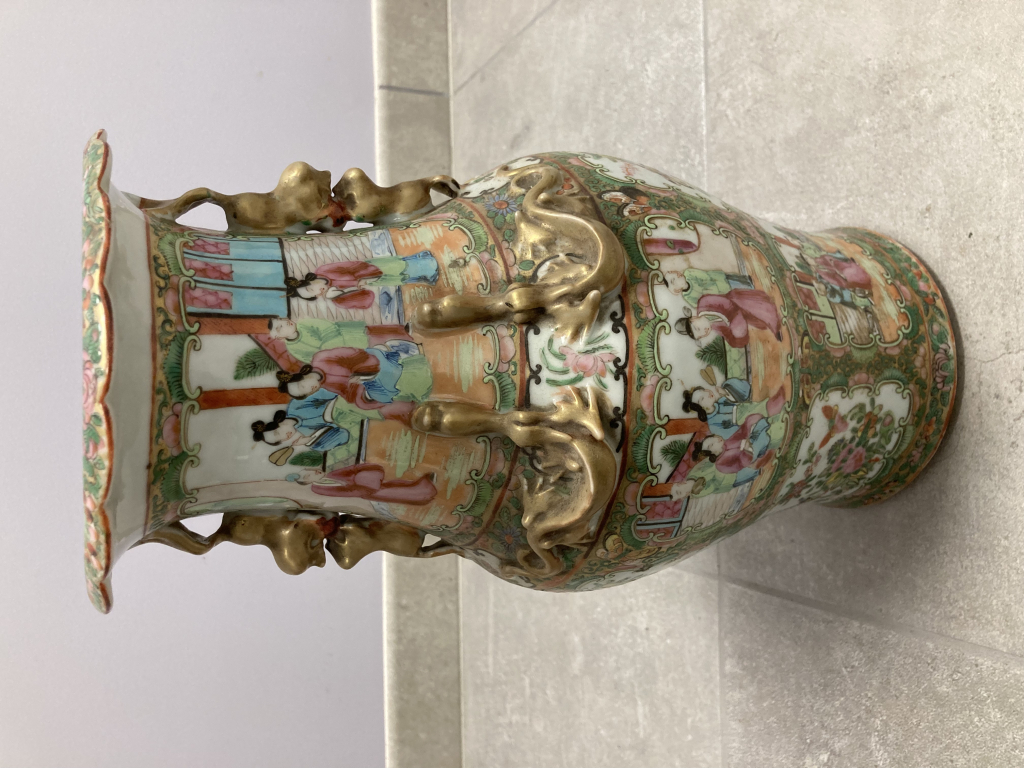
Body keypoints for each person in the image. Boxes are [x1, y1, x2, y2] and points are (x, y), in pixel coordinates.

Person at [261, 317, 412, 365]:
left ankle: (406, 330)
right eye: (280, 327)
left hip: (348, 334)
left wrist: (326, 347)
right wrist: (328, 353)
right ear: (279, 337)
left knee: (381, 334)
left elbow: (328, 328)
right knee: (380, 351)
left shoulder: (305, 323)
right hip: (344, 352)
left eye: (282, 320)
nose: (285, 323)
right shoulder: (294, 349)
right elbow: (314, 360)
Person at [674, 288, 782, 348]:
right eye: (701, 335)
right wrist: (735, 341)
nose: (704, 331)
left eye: (698, 328)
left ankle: (775, 323)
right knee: (743, 330)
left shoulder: (704, 303)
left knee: (759, 309)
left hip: (737, 301)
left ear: (693, 318)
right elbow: (726, 334)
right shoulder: (714, 326)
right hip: (738, 319)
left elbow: (727, 304)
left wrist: (735, 325)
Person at [683, 379, 786, 439]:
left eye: (704, 391)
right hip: (748, 428)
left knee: (749, 406)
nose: (708, 393)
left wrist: (726, 393)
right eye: (702, 398)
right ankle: (773, 409)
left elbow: (742, 399)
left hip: (753, 410)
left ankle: (773, 406)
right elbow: (732, 436)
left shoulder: (722, 400)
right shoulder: (713, 425)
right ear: (700, 408)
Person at [286, 465, 437, 505]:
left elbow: (351, 470)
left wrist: (367, 469)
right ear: (306, 482)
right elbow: (346, 493)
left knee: (396, 484)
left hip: (367, 484)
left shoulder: (329, 475)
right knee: (396, 492)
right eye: (308, 475)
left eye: (310, 470)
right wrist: (365, 487)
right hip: (368, 490)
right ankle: (425, 490)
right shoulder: (320, 488)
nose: (314, 471)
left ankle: (422, 483)